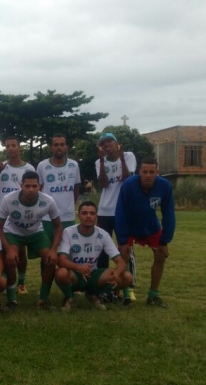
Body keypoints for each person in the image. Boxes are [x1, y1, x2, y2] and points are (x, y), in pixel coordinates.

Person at [0, 171, 63, 311]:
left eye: (34, 186)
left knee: (50, 260)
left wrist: (54, 250)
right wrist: (7, 250)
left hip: (36, 233)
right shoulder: (8, 199)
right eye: (27, 186)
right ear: (21, 186)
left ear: (40, 186)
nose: (31, 189)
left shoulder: (48, 200)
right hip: (13, 232)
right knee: (11, 260)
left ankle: (43, 299)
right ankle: (12, 300)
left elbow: (58, 226)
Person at [115, 157, 176, 308]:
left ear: (157, 172)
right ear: (139, 172)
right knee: (124, 255)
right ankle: (127, 293)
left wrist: (165, 240)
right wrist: (122, 240)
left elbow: (169, 213)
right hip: (130, 226)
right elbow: (120, 212)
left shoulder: (165, 186)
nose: (148, 175)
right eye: (145, 172)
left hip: (151, 226)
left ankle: (153, 295)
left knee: (161, 255)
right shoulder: (128, 185)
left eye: (152, 172)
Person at [56, 201, 132, 311]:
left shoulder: (103, 234)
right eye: (84, 213)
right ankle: (69, 297)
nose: (88, 216)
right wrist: (78, 267)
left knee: (127, 277)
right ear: (79, 216)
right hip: (74, 274)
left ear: (96, 216)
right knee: (61, 273)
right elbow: (61, 261)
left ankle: (93, 294)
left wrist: (116, 274)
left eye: (92, 213)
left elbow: (120, 262)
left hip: (93, 275)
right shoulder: (68, 232)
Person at [95, 132, 137, 304]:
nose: (106, 146)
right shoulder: (99, 161)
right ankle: (105, 287)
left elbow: (128, 180)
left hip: (123, 210)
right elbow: (104, 183)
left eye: (109, 142)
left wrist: (121, 159)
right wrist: (104, 161)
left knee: (125, 249)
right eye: (103, 143)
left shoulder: (128, 156)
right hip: (104, 211)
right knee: (102, 249)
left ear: (117, 143)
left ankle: (128, 288)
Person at [0, 135, 35, 295]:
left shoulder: (29, 168)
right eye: (7, 146)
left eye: (13, 145)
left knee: (20, 251)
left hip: (21, 215)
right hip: (2, 215)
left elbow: (35, 191)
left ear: (20, 147)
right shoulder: (1, 167)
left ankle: (22, 283)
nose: (10, 148)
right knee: (1, 251)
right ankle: (1, 280)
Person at [36, 133, 81, 241]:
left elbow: (76, 189)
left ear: (66, 147)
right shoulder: (42, 165)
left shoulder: (74, 165)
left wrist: (69, 205)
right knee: (47, 252)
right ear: (51, 147)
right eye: (56, 145)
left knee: (66, 250)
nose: (59, 147)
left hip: (67, 216)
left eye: (62, 144)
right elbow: (38, 190)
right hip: (47, 216)